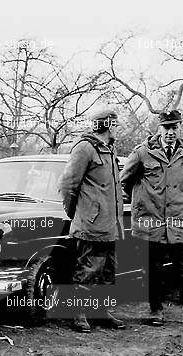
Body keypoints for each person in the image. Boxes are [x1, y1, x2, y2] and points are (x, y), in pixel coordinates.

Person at [120, 110, 183, 328]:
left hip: (180, 222)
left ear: (179, 128)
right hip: (151, 222)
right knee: (155, 270)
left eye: (175, 128)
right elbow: (125, 182)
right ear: (159, 129)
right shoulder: (142, 153)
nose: (171, 132)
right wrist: (143, 204)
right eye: (166, 128)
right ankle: (156, 310)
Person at [59, 107, 125, 333]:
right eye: (116, 124)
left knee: (108, 271)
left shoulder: (109, 149)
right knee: (88, 270)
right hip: (91, 225)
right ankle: (79, 314)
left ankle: (101, 311)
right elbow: (68, 185)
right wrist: (76, 214)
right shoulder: (85, 148)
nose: (118, 129)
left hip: (110, 225)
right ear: (106, 125)